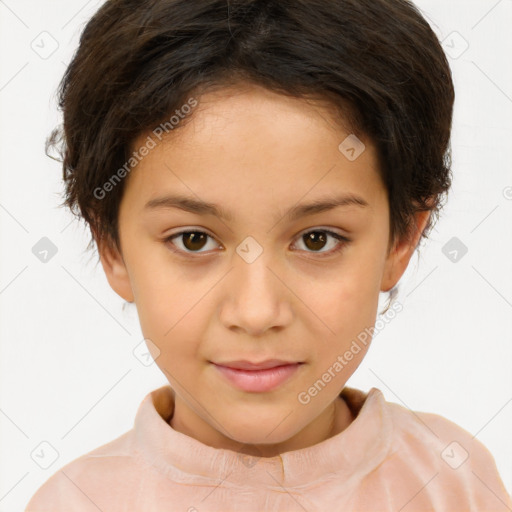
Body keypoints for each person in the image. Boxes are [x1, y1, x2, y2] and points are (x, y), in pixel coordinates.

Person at [25, 0, 511, 510]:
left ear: (400, 240)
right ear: (111, 246)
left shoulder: (452, 480)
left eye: (317, 239)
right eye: (193, 239)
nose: (257, 313)